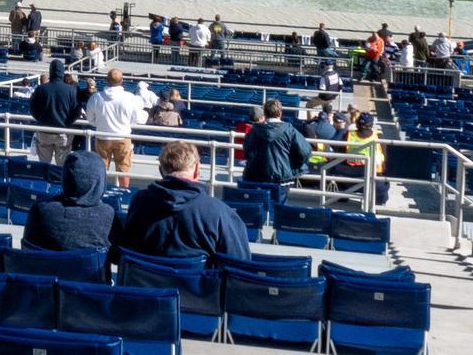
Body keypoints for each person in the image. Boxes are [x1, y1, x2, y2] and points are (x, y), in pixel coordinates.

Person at [116, 141, 248, 261]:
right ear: (197, 169)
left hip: (145, 285)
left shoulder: (140, 202)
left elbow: (128, 248)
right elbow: (239, 262)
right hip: (197, 286)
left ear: (161, 170)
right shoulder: (218, 212)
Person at [22, 149, 119, 251]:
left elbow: (27, 249)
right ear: (101, 180)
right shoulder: (109, 216)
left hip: (50, 266)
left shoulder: (40, 210)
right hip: (92, 267)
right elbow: (117, 256)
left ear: (65, 177)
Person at [86, 67, 150, 188]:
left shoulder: (96, 97)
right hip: (122, 137)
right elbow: (139, 119)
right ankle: (123, 194)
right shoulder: (130, 98)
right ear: (122, 81)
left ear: (107, 80)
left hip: (102, 137)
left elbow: (90, 119)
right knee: (123, 170)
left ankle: (99, 195)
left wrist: (101, 125)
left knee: (100, 170)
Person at [241, 98, 310, 195]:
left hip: (257, 177)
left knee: (260, 206)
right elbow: (305, 152)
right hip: (282, 179)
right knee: (278, 207)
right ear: (280, 113)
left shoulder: (254, 131)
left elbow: (247, 152)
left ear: (265, 114)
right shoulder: (290, 130)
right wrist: (292, 164)